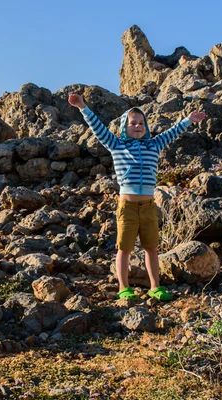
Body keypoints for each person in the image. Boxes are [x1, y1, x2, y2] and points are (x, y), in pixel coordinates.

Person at [68, 93, 206, 301]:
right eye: (133, 123)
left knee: (151, 248)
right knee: (124, 249)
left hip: (149, 206)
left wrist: (188, 120)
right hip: (128, 207)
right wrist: (82, 107)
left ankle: (155, 287)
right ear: (125, 126)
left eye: (141, 123)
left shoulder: (154, 144)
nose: (138, 126)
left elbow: (172, 132)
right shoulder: (116, 145)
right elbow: (98, 128)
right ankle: (124, 287)